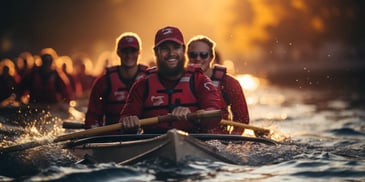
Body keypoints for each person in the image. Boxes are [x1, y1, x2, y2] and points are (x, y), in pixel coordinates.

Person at [119, 26, 223, 134]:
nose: (171, 53)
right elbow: (124, 119)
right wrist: (129, 122)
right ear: (156, 52)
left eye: (176, 47)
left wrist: (194, 114)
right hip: (153, 143)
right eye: (165, 48)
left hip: (194, 140)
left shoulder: (200, 80)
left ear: (183, 50)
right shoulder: (142, 85)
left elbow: (214, 114)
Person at [187, 35, 249, 135]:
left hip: (219, 140)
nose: (198, 59)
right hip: (188, 137)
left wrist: (232, 142)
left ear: (212, 57)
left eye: (203, 55)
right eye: (193, 55)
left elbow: (242, 119)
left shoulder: (229, 83)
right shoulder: (178, 80)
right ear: (187, 57)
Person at [84, 32, 148, 129]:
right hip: (113, 135)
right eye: (125, 51)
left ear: (139, 52)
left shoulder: (148, 77)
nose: (129, 55)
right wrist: (93, 128)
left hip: (143, 134)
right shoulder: (104, 82)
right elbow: (93, 116)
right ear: (118, 53)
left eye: (133, 51)